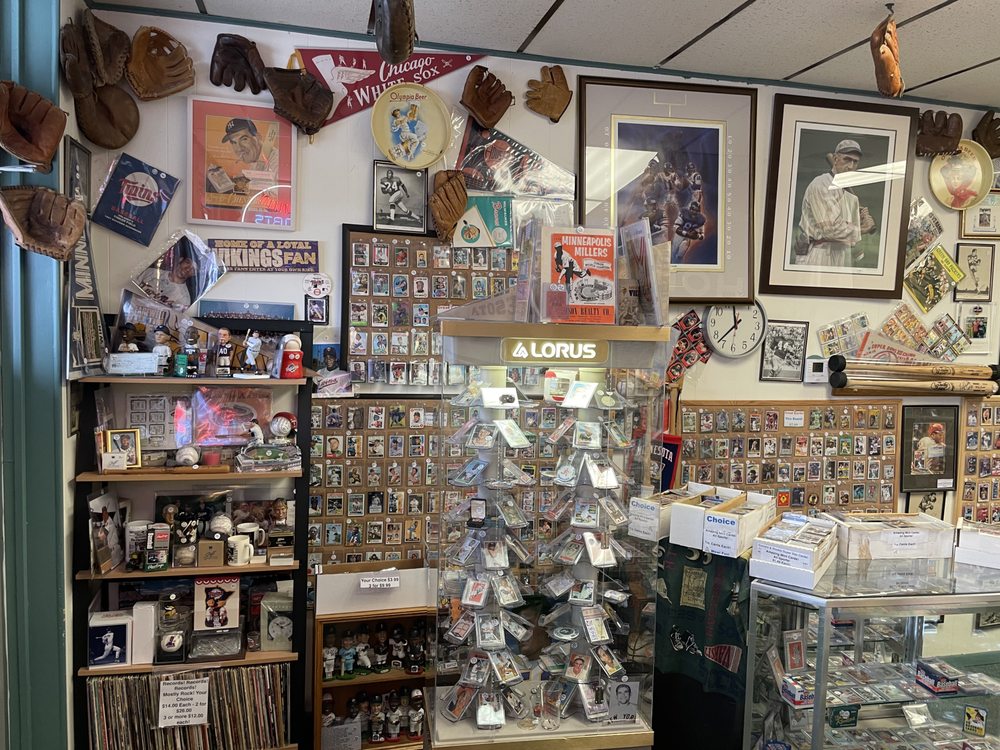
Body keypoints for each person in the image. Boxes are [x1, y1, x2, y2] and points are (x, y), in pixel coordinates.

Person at [795, 139, 877, 268]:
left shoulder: (850, 196)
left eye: (855, 162)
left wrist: (860, 221)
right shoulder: (821, 184)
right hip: (818, 253)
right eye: (847, 159)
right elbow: (831, 230)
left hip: (841, 253)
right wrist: (862, 229)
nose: (850, 166)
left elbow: (850, 235)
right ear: (835, 159)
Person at [135, 237, 199, 310]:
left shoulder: (184, 299)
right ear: (180, 260)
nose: (187, 269)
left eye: (193, 269)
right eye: (187, 262)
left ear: (194, 274)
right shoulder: (150, 272)